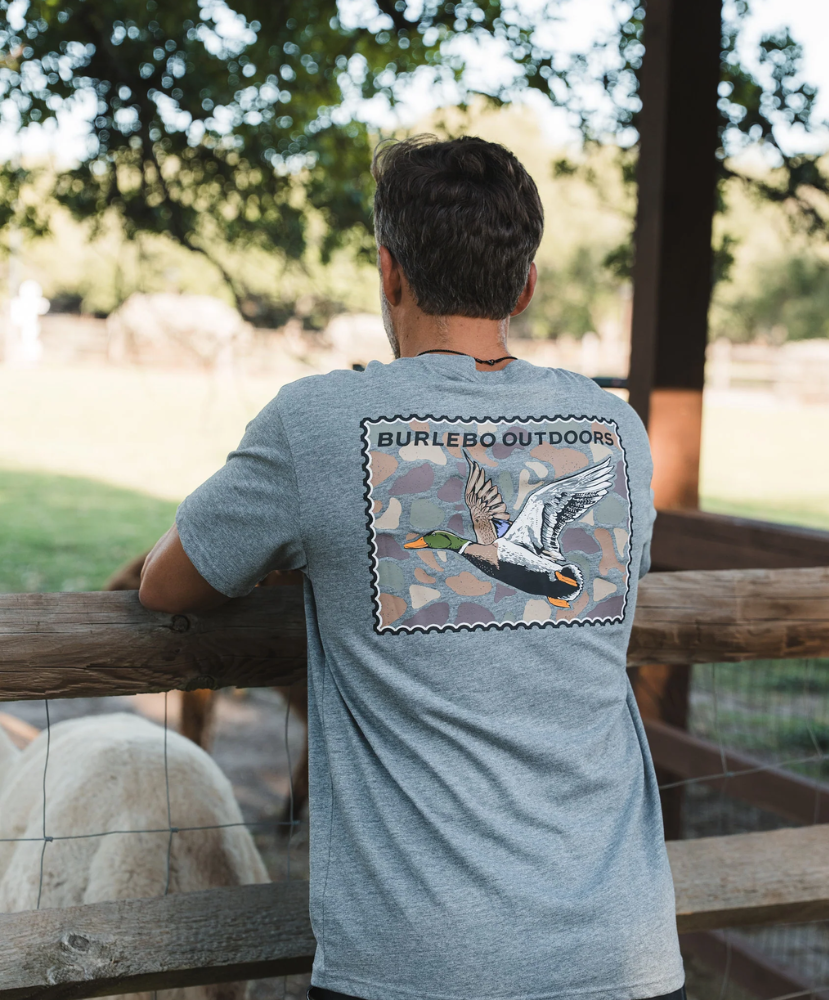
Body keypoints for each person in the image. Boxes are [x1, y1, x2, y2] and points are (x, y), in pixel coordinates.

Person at [140, 135, 685, 1000]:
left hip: (415, 965)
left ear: (388, 273)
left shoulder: (316, 422)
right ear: (525, 284)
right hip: (620, 956)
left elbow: (165, 585)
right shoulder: (613, 428)